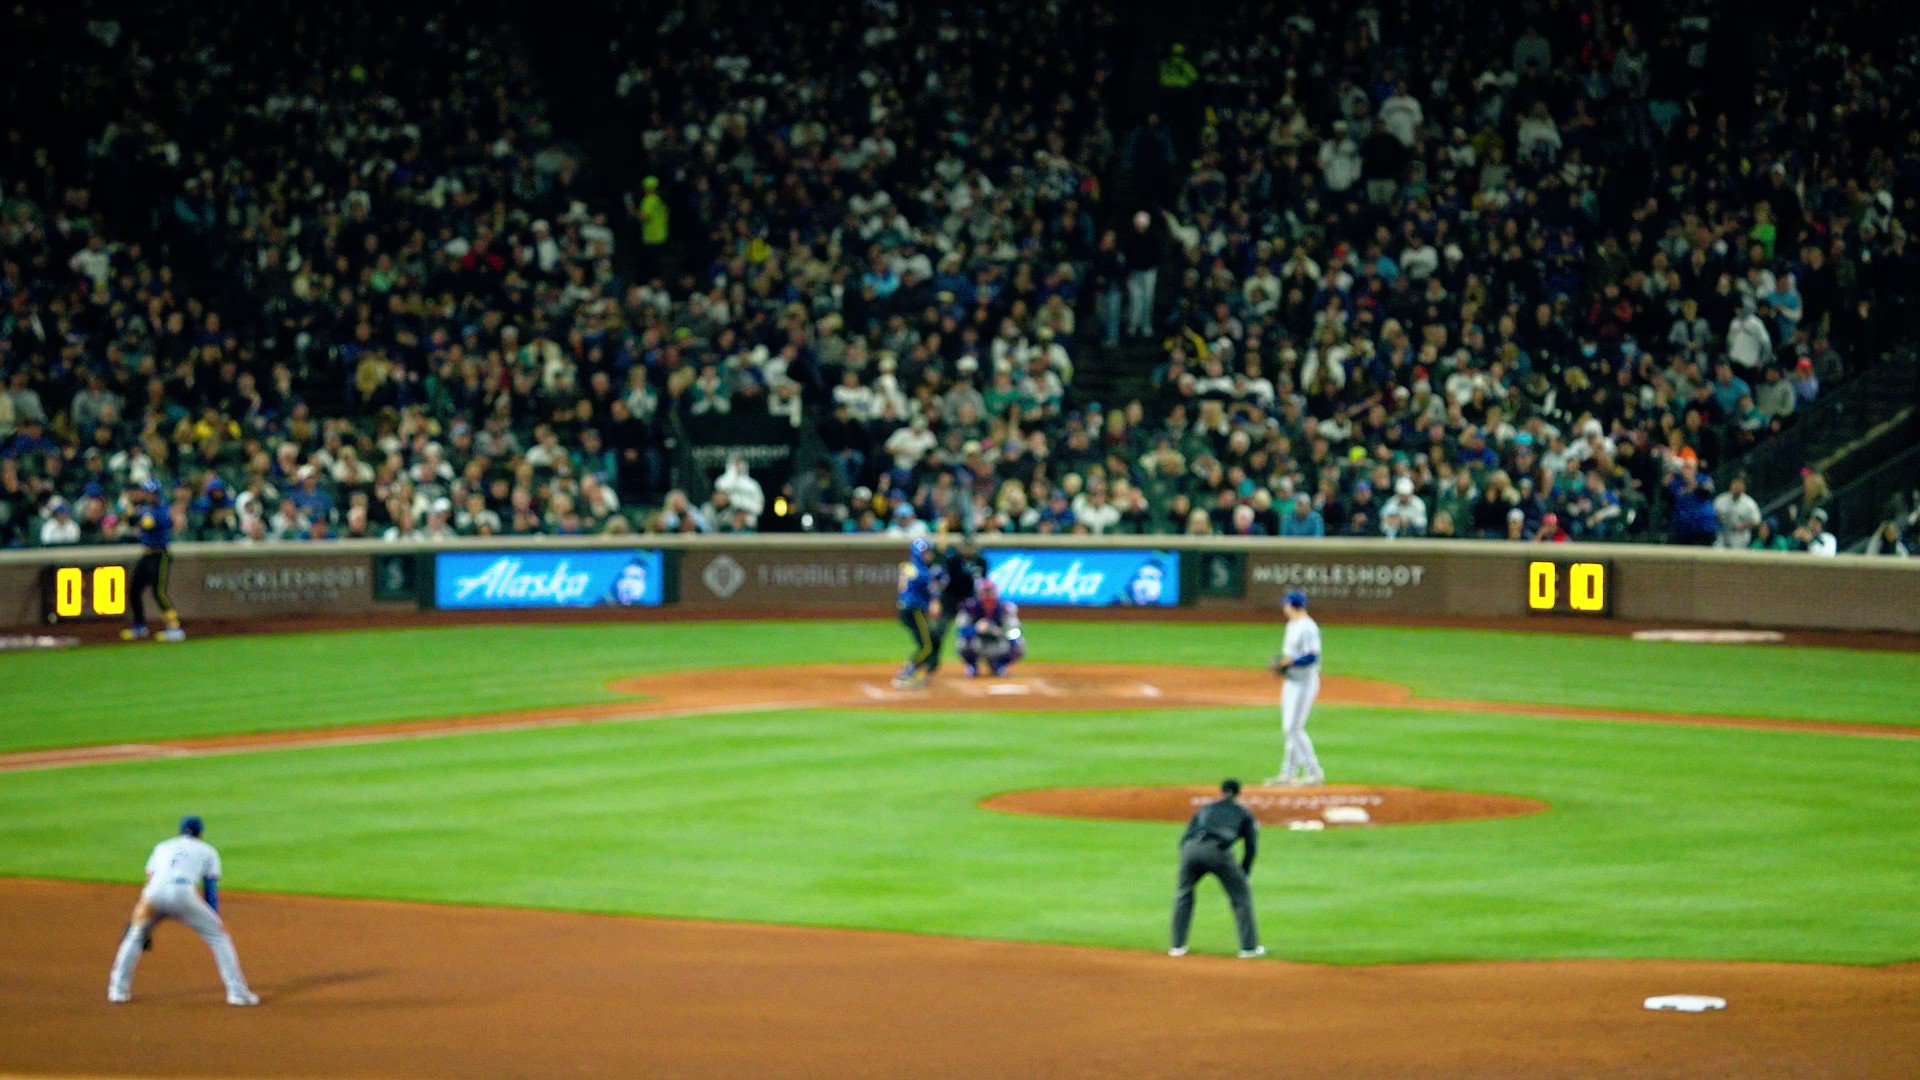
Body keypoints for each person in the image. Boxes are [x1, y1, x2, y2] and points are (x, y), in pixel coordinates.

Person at [108, 816, 259, 1006]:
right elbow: (210, 890)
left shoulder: (162, 846)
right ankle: (237, 994)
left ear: (180, 831)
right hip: (183, 893)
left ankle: (117, 991)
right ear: (201, 833)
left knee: (135, 936)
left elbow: (151, 881)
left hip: (153, 895)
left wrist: (139, 916)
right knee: (219, 937)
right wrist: (213, 919)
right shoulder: (208, 851)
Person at [1168, 778, 1264, 959]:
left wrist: (1187, 857)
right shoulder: (1243, 812)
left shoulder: (1205, 808)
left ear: (1221, 791)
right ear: (1238, 793)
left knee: (1183, 894)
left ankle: (1177, 947)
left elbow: (1185, 837)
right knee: (1240, 896)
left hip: (1190, 848)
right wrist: (1244, 873)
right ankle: (1249, 948)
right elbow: (1251, 846)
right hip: (1217, 850)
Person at [1265, 590, 1323, 785]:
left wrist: (1289, 663)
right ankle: (1288, 774)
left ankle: (1313, 772)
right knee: (1289, 728)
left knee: (1293, 728)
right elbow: (1289, 656)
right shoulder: (1292, 625)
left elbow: (1312, 656)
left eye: (1286, 604)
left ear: (1292, 605)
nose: (1284, 607)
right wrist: (1285, 665)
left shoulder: (1308, 627)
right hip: (1291, 682)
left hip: (1304, 683)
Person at [121, 479, 186, 641]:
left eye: (153, 493)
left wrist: (129, 511)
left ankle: (175, 627)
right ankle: (139, 626)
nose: (150, 496)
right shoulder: (146, 509)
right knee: (134, 590)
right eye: (148, 493)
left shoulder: (161, 510)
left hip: (160, 555)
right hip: (147, 554)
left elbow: (144, 524)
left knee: (158, 592)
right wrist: (129, 510)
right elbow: (132, 521)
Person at [927, 539, 989, 675]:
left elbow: (981, 584)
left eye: (971, 547)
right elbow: (939, 579)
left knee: (975, 632)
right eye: (966, 547)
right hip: (949, 600)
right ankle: (932, 661)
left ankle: (978, 663)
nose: (969, 550)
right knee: (937, 631)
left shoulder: (981, 562)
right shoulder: (951, 561)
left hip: (969, 601)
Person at [893, 537, 942, 689]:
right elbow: (928, 587)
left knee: (925, 643)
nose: (929, 555)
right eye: (926, 553)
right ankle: (907, 673)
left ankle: (916, 673)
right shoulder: (922, 571)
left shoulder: (909, 566)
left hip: (906, 609)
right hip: (913, 610)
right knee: (927, 647)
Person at [956, 579, 1024, 677]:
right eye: (985, 592)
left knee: (1019, 643)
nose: (988, 595)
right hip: (978, 641)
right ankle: (972, 666)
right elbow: (961, 628)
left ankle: (999, 665)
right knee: (962, 643)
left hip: (998, 641)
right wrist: (975, 629)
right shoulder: (970, 606)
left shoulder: (1005, 607)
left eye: (990, 592)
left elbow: (1017, 630)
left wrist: (1002, 633)